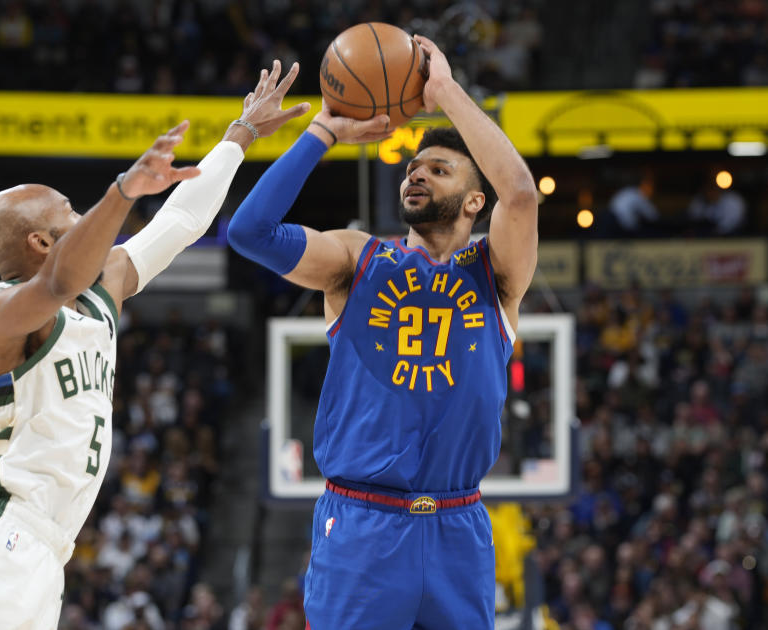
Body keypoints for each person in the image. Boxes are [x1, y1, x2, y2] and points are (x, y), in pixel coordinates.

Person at [0, 60, 310, 630]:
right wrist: (123, 191)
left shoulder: (102, 289)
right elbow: (56, 284)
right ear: (41, 241)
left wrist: (240, 135)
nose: (85, 215)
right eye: (70, 211)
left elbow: (184, 219)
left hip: (45, 549)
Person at [228, 35, 538, 630]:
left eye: (438, 169)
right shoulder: (354, 258)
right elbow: (250, 232)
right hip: (363, 525)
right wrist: (323, 131)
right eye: (413, 167)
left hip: (459, 525)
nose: (416, 174)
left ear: (476, 200)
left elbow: (520, 194)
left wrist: (444, 93)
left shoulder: (495, 275)